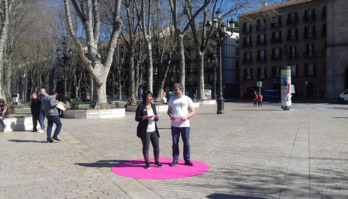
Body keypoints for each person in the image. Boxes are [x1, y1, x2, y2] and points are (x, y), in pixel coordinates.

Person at [167, 83, 195, 167]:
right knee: (175, 143)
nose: (174, 91)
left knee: (186, 143)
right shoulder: (172, 99)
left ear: (181, 90)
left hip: (185, 124)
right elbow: (169, 111)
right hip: (174, 125)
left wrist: (187, 116)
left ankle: (187, 159)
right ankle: (175, 160)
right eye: (174, 89)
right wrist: (170, 115)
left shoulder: (187, 99)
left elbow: (193, 111)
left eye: (176, 90)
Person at [135, 91, 162, 169]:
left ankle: (157, 162)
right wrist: (144, 117)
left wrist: (157, 118)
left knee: (156, 146)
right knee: (146, 147)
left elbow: (155, 116)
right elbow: (137, 118)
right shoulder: (141, 106)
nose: (151, 98)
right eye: (149, 96)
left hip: (154, 130)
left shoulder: (153, 106)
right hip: (145, 130)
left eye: (151, 96)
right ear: (145, 97)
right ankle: (147, 163)